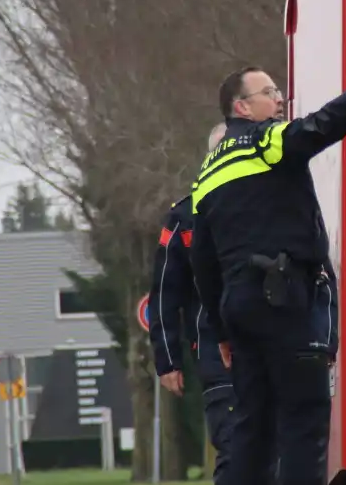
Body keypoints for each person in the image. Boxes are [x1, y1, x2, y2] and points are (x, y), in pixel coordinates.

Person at [189, 59, 346, 485]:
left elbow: (202, 262)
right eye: (268, 93)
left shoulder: (208, 173)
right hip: (285, 298)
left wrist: (220, 332)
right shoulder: (264, 140)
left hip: (240, 308)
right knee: (303, 421)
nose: (278, 99)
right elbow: (319, 128)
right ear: (242, 108)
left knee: (252, 428)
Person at [149, 123, 255, 484]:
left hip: (273, 344)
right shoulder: (184, 218)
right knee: (233, 444)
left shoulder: (269, 207)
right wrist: (167, 362)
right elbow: (164, 292)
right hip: (215, 349)